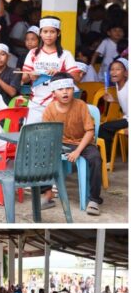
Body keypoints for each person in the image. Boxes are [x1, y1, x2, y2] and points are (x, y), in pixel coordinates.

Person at [41, 72, 103, 215]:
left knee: (95, 158)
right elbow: (47, 134)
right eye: (61, 89)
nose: (65, 92)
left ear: (73, 89)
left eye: (68, 88)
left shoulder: (81, 105)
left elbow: (90, 131)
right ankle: (48, 193)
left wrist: (77, 151)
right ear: (53, 93)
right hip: (61, 143)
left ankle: (94, 199)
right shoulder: (49, 109)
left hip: (83, 143)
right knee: (42, 152)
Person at [21, 17, 80, 123]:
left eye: (52, 32)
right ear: (40, 33)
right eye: (45, 31)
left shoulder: (65, 55)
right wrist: (31, 75)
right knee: (31, 137)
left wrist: (59, 74)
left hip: (59, 105)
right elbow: (24, 79)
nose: (48, 35)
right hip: (35, 104)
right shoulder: (33, 53)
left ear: (58, 33)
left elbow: (77, 77)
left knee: (55, 137)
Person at [97, 58, 129, 148]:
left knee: (104, 128)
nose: (113, 72)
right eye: (112, 69)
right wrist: (114, 100)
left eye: (118, 69)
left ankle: (106, 158)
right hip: (126, 118)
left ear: (126, 73)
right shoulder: (118, 84)